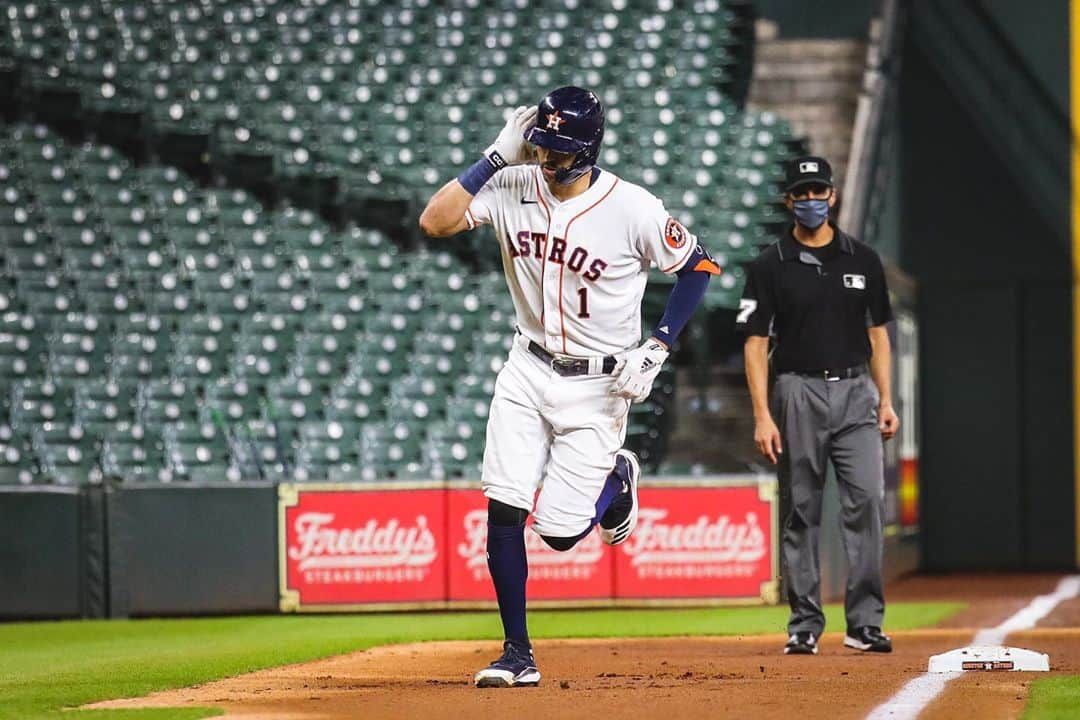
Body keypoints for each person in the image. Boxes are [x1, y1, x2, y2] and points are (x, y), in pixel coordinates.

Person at [419, 86, 720, 687]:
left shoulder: (631, 207)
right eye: (541, 147)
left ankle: (617, 482)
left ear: (587, 151)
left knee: (557, 534)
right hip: (527, 366)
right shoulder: (509, 183)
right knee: (503, 506)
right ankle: (517, 654)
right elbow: (435, 222)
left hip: (600, 384)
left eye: (558, 152)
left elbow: (699, 266)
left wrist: (658, 344)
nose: (547, 160)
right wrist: (495, 159)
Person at [736, 155, 899, 656]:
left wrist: (886, 399)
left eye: (818, 191)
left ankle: (864, 622)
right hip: (797, 390)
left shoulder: (862, 258)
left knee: (868, 501)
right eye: (801, 192)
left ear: (832, 196)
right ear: (788, 200)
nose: (811, 200)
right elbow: (755, 343)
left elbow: (878, 333)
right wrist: (762, 414)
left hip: (856, 393)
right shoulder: (769, 264)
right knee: (800, 509)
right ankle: (804, 622)